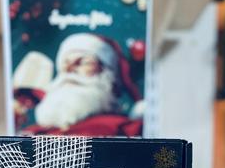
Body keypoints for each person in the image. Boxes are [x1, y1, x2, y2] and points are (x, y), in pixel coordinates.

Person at [14, 33, 144, 136]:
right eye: (65, 63)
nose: (69, 70)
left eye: (82, 62)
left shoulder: (124, 131)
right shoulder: (33, 133)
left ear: (106, 73)